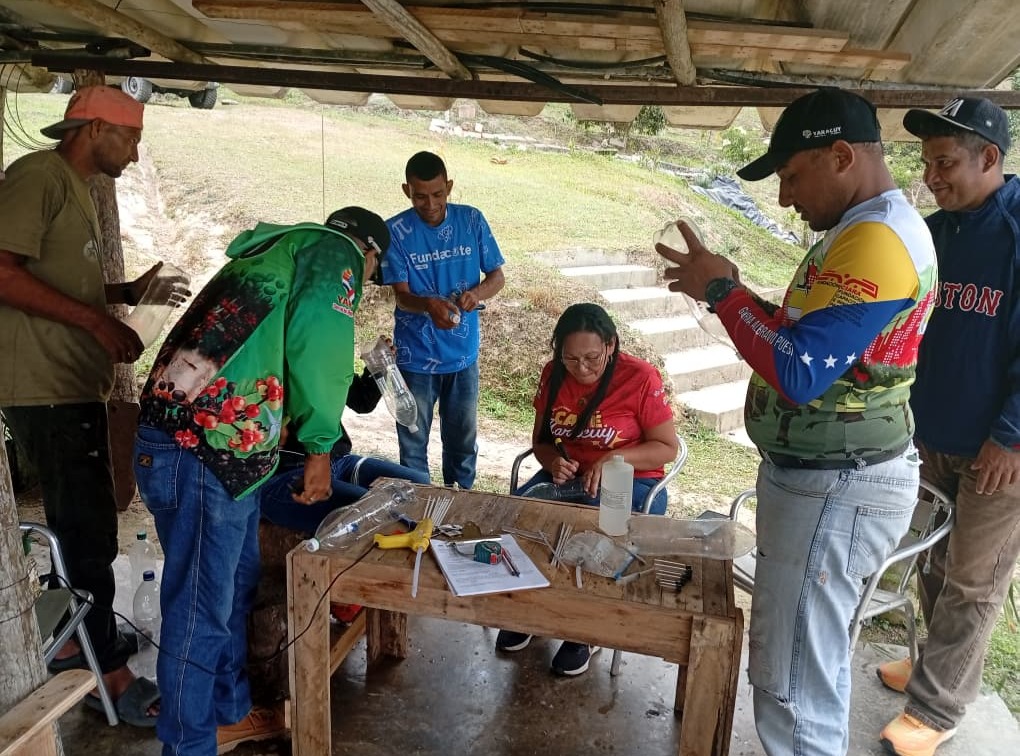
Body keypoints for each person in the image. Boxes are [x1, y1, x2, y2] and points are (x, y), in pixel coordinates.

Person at [656, 88, 937, 756]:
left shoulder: (879, 242)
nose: (784, 199)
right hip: (827, 485)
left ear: (841, 155)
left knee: (789, 687)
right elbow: (800, 336)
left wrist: (723, 295)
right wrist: (732, 289)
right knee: (811, 669)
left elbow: (801, 369)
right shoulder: (862, 231)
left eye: (790, 176)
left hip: (835, 492)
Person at [133, 206, 388, 755]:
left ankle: (230, 711)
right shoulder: (333, 253)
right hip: (205, 446)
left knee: (233, 585)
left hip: (213, 447)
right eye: (374, 274)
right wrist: (320, 445)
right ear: (370, 253)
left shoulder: (277, 251)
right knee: (200, 607)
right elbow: (319, 346)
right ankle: (188, 745)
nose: (366, 284)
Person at [0, 85, 165, 727]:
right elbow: (4, 271)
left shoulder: (79, 188)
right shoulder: (38, 174)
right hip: (42, 384)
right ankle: (104, 674)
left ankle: (73, 637)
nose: (135, 148)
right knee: (87, 529)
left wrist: (125, 292)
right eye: (130, 135)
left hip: (71, 382)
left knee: (84, 523)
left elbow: (60, 277)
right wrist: (95, 325)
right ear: (94, 127)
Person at [874, 97, 1020, 756]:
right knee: (930, 555)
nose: (932, 174)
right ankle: (937, 666)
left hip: (1001, 446)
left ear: (990, 158)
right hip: (931, 431)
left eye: (946, 162)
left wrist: (1013, 434)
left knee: (973, 578)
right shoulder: (936, 231)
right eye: (927, 161)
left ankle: (937, 707)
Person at [496, 302, 678, 675]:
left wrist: (615, 460)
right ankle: (528, 610)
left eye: (593, 358)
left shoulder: (640, 378)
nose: (582, 369)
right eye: (571, 359)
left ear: (610, 345)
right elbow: (543, 441)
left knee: (599, 538)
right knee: (523, 519)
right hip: (571, 477)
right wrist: (551, 462)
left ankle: (585, 628)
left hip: (634, 481)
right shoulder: (553, 375)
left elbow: (666, 447)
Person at [381, 151, 505, 488]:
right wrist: (429, 305)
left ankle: (461, 510)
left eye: (438, 194)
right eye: (420, 196)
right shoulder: (395, 232)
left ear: (449, 187)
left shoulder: (471, 221)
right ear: (407, 191)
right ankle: (418, 512)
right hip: (415, 359)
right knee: (412, 448)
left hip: (463, 356)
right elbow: (403, 296)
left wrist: (477, 294)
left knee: (462, 447)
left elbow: (497, 277)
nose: (430, 204)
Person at [259, 362, 429, 535]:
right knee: (369, 509)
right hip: (285, 472)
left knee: (421, 485)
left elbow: (362, 401)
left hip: (337, 460)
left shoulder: (324, 358)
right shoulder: (271, 362)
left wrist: (377, 367)